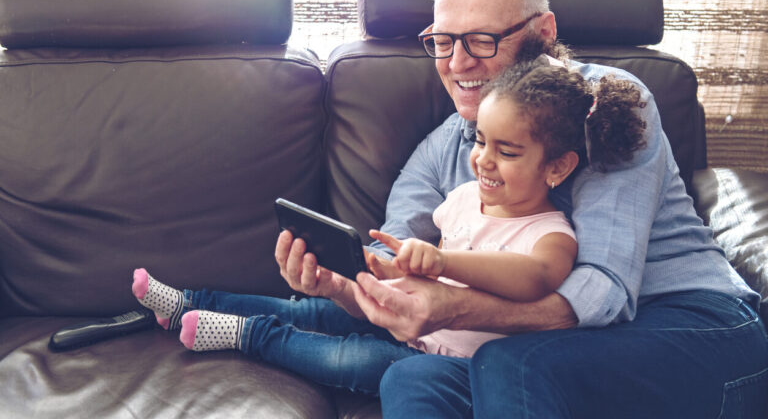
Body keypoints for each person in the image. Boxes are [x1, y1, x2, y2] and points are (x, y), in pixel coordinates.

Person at [276, 0, 768, 418]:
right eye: (444, 41)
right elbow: (392, 253)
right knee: (413, 377)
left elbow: (605, 290)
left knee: (513, 362)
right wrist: (343, 281)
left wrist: (457, 308)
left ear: (543, 30)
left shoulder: (610, 106)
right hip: (559, 355)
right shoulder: (444, 146)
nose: (457, 62)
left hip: (695, 328)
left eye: (482, 40)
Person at [130, 60, 649, 395]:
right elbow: (429, 284)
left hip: (448, 365)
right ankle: (187, 300)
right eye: (479, 141)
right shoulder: (463, 199)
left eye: (506, 151)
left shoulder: (552, 234)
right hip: (411, 327)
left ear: (557, 167)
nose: (483, 161)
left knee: (348, 360)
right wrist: (379, 272)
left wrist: (441, 261)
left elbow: (532, 278)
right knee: (314, 305)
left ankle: (246, 335)